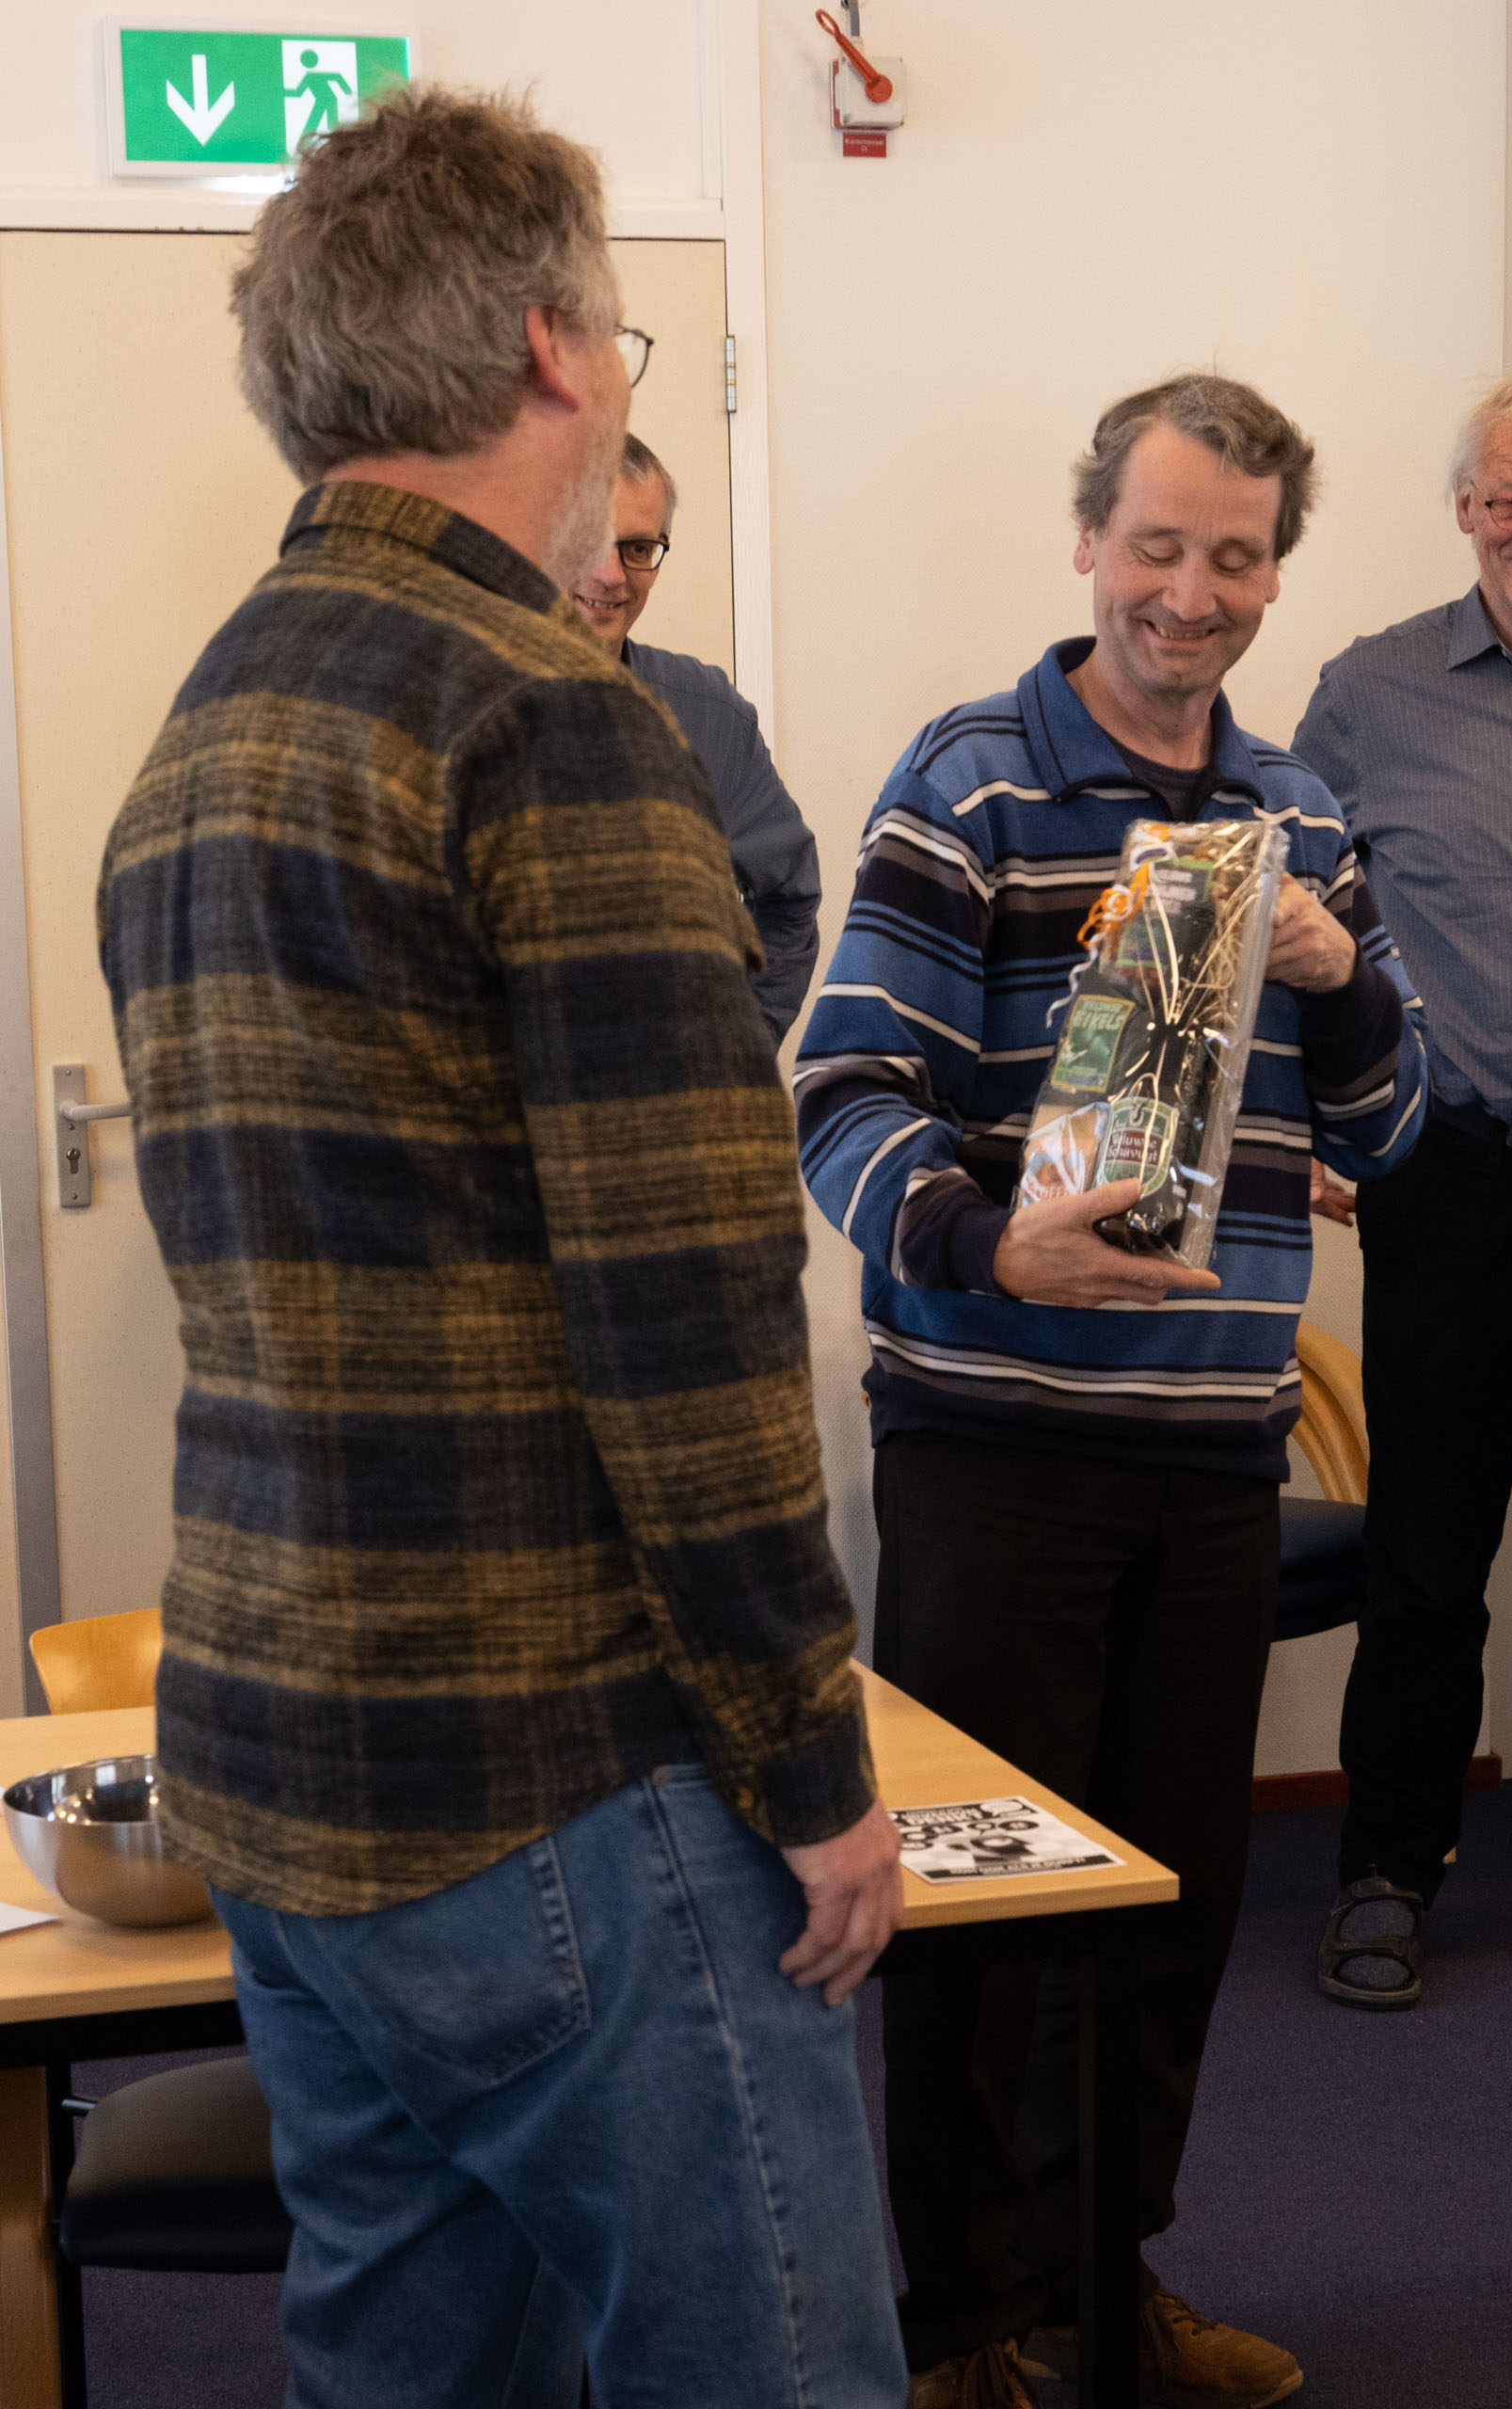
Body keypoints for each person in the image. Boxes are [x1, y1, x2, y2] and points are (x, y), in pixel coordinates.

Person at [97, 88, 906, 2409]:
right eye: (620, 340)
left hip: (276, 1754)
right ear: (553, 345)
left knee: (410, 2370)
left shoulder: (207, 726)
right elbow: (688, 1325)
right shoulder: (553, 717)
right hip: (554, 1773)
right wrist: (814, 1766)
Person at [796, 372, 1428, 2409]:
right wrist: (987, 1241)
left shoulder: (1297, 812)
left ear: (1272, 574)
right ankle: (962, 2330)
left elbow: (1393, 1126)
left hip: (1208, 1454)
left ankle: (1099, 2284)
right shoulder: (969, 778)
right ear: (1088, 540)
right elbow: (842, 1093)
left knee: (1170, 1908)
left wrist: (1339, 977)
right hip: (995, 1445)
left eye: (1232, 557)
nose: (1189, 592)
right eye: (1155, 545)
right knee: (981, 1916)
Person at [1293, 366, 1512, 2011]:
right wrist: (1306, 1117)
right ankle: (1388, 1873)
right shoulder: (1368, 693)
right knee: (1425, 1561)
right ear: (1463, 507)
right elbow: (1283, 910)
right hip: (1452, 1185)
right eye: (1511, 497)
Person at [570, 433, 821, 1043]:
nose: (610, 575)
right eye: (587, 541)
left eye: (637, 549)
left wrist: (735, 1051)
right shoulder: (443, 704)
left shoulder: (708, 715)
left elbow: (788, 901)